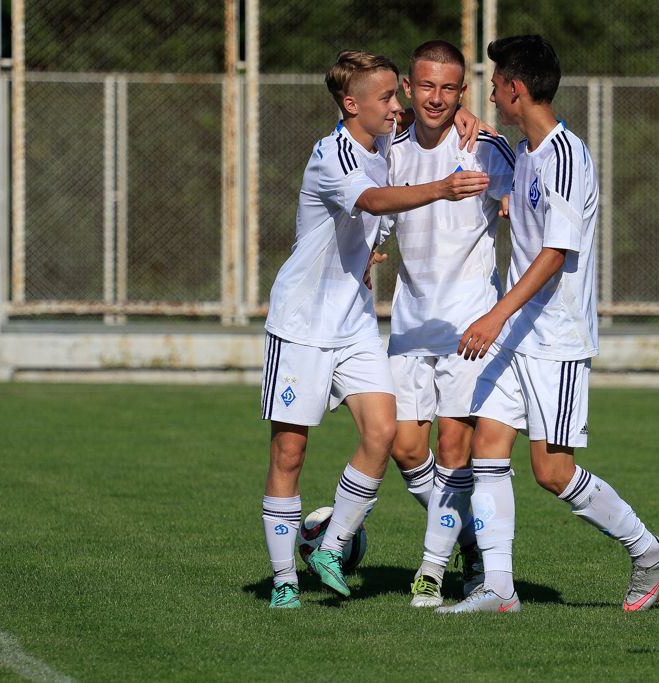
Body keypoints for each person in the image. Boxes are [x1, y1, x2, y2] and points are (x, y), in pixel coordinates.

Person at [261, 49, 491, 608]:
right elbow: (373, 200)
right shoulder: (332, 155)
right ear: (350, 104)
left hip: (357, 323)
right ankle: (285, 581)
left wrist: (468, 116)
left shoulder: (384, 138)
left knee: (384, 434)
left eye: (396, 94)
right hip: (302, 325)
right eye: (387, 98)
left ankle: (331, 545)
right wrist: (441, 187)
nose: (398, 107)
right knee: (289, 455)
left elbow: (424, 119)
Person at [437, 34, 659, 614]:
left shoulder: (563, 157)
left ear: (515, 87)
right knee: (488, 446)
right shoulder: (529, 152)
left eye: (494, 82)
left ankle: (649, 552)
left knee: (552, 471)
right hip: (519, 334)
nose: (489, 91)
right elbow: (497, 160)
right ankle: (499, 589)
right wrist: (463, 117)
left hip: (556, 338)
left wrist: (494, 314)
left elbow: (555, 253)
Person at [385, 40, 515, 608]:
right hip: (409, 320)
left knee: (454, 445)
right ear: (408, 90)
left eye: (449, 88)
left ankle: (431, 573)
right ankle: (466, 535)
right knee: (405, 447)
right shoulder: (386, 145)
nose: (436, 98)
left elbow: (526, 205)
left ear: (463, 93)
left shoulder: (486, 147)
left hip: (469, 323)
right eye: (426, 86)